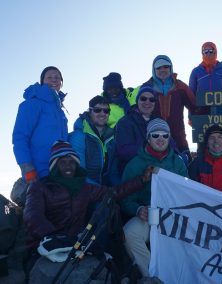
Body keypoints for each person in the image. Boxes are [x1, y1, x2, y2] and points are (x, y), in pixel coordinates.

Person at [23, 140, 151, 270]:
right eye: (62, 162)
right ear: (54, 166)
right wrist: (53, 237)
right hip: (47, 242)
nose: (68, 166)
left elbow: (112, 193)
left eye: (71, 162)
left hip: (75, 244)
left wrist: (141, 180)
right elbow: (32, 216)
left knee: (105, 210)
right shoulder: (40, 187)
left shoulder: (84, 188)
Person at [121, 118, 187, 278]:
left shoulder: (178, 163)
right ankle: (154, 276)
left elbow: (186, 193)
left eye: (165, 135)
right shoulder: (134, 164)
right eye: (155, 135)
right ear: (148, 138)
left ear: (169, 138)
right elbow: (124, 198)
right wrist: (138, 210)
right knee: (130, 233)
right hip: (148, 216)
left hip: (173, 216)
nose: (161, 139)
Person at [13, 66, 68, 183]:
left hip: (60, 171)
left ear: (61, 83)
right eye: (49, 77)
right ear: (42, 81)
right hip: (39, 172)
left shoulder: (60, 110)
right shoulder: (32, 104)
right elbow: (20, 137)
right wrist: (27, 168)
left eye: (57, 78)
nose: (54, 80)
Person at [145, 55, 199, 159]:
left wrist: (210, 112)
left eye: (166, 66)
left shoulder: (180, 87)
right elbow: (138, 111)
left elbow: (195, 106)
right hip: (154, 140)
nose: (162, 70)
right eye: (158, 67)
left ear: (171, 68)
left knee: (182, 171)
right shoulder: (146, 87)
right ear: (154, 69)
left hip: (179, 140)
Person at [68, 95, 119, 186]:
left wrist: (118, 190)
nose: (102, 114)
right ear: (90, 111)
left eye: (106, 111)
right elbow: (79, 173)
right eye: (97, 110)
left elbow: (112, 173)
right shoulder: (79, 136)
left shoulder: (111, 137)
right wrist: (101, 191)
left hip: (104, 190)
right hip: (85, 191)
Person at [114, 85, 158, 174]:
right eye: (143, 99)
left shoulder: (158, 122)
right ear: (137, 101)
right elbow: (124, 151)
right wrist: (151, 150)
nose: (147, 102)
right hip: (133, 171)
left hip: (156, 168)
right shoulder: (125, 122)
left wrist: (178, 155)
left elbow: (170, 142)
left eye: (151, 100)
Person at [189, 41, 222, 120]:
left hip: (221, 112)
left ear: (215, 52)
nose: (208, 53)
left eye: (211, 51)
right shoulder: (196, 71)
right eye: (205, 51)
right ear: (202, 53)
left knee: (219, 132)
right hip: (201, 112)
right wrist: (190, 116)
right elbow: (190, 95)